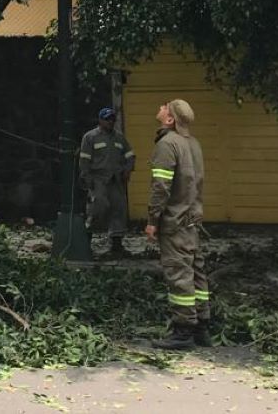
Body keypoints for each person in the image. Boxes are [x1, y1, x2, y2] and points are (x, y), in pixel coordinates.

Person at [145, 98, 211, 349]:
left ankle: (183, 332)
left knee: (179, 272)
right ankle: (202, 326)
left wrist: (153, 220)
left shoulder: (167, 144)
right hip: (192, 218)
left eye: (165, 106)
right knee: (196, 271)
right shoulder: (193, 144)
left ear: (170, 119)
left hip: (175, 220)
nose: (161, 107)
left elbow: (161, 187)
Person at [78, 107, 136, 257]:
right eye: (107, 119)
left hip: (116, 180)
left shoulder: (119, 138)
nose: (110, 122)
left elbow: (130, 155)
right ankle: (86, 242)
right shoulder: (90, 137)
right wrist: (86, 178)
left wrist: (128, 169)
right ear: (100, 120)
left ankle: (116, 245)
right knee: (98, 208)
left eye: (112, 119)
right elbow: (84, 160)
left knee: (119, 209)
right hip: (98, 180)